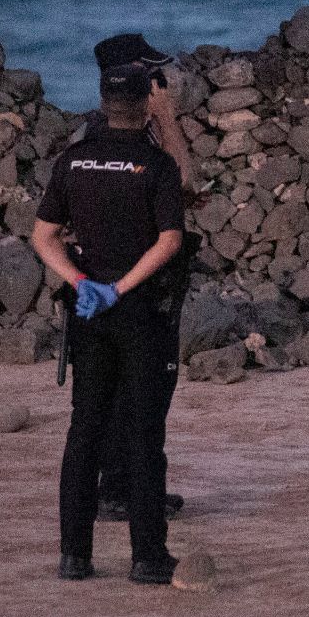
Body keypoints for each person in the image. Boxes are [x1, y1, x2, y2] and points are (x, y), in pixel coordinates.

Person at [31, 63, 185, 584]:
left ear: (101, 102)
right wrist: (120, 288)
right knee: (142, 434)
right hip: (138, 311)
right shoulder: (156, 165)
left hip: (89, 313)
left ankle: (74, 555)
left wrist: (81, 283)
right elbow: (170, 242)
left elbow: (42, 236)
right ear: (147, 105)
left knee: (85, 431)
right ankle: (147, 557)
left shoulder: (72, 162)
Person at [78, 34, 193, 524]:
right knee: (139, 391)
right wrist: (167, 118)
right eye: (152, 76)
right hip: (141, 284)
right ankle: (122, 490)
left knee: (119, 393)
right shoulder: (130, 137)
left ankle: (127, 485)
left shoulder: (87, 141)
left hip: (99, 281)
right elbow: (186, 182)